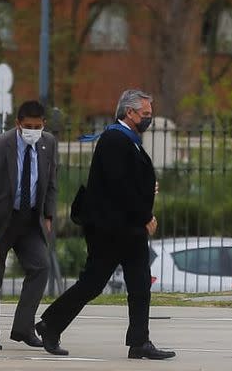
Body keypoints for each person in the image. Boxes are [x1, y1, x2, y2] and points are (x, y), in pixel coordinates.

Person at [35, 89, 176, 360]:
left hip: (125, 228)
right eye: (145, 114)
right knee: (93, 283)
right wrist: (146, 215)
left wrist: (147, 191)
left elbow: (131, 181)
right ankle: (50, 324)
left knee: (139, 284)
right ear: (129, 112)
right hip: (112, 230)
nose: (149, 118)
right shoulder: (114, 139)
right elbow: (119, 186)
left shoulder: (128, 140)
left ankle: (139, 341)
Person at [0, 100, 57, 350]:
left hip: (29, 220)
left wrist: (48, 214)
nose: (33, 131)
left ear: (44, 124)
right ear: (17, 124)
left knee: (40, 267)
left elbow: (50, 183)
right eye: (28, 126)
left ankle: (23, 327)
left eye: (37, 126)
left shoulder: (48, 143)